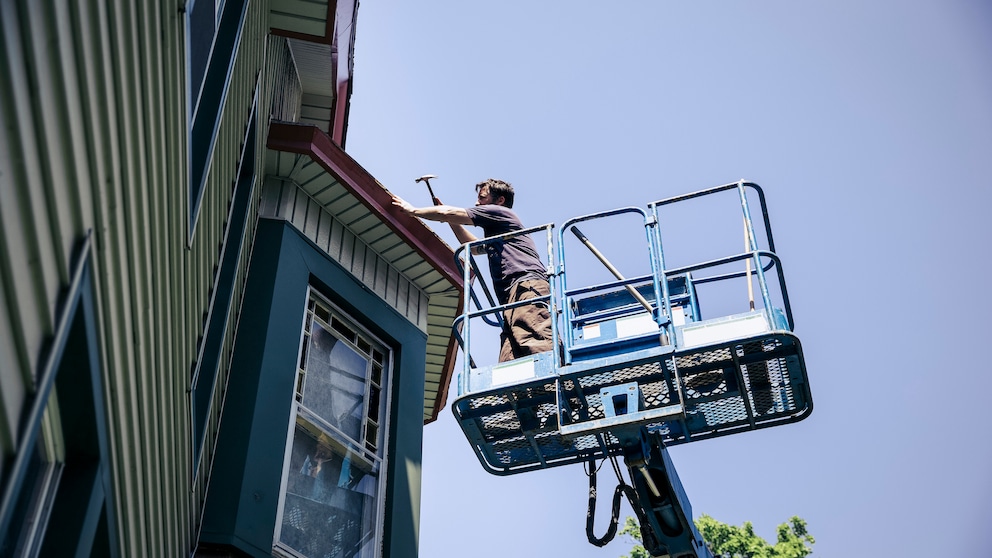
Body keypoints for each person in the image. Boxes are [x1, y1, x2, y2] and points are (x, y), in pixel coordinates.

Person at [392, 178, 555, 362]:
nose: (477, 203)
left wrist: (413, 210)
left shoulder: (501, 213)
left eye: (482, 198)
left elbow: (447, 212)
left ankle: (552, 387)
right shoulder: (499, 232)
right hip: (513, 297)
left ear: (500, 200)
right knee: (511, 359)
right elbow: (474, 247)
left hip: (526, 287)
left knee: (535, 343)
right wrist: (451, 221)